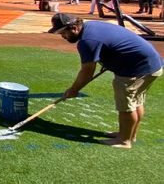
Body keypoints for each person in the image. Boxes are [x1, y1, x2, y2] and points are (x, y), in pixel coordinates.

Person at [48, 13, 162, 149]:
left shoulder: (87, 41)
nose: (63, 37)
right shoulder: (91, 26)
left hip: (136, 71)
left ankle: (124, 140)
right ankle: (130, 134)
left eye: (63, 33)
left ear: (74, 28)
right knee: (136, 101)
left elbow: (87, 72)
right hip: (153, 65)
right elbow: (112, 44)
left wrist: (74, 90)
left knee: (126, 105)